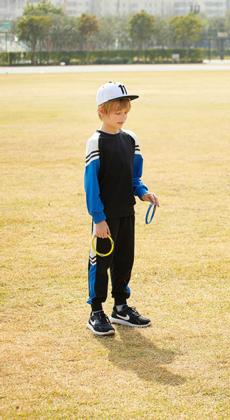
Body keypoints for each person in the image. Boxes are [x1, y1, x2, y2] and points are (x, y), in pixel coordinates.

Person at [84, 81, 159, 336]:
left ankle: (121, 307)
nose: (123, 117)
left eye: (125, 111)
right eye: (117, 112)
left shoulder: (131, 140)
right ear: (101, 112)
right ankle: (96, 311)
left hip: (127, 213)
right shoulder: (95, 142)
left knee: (124, 260)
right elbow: (91, 185)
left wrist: (144, 192)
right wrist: (98, 218)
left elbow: (133, 178)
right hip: (105, 217)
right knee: (101, 262)